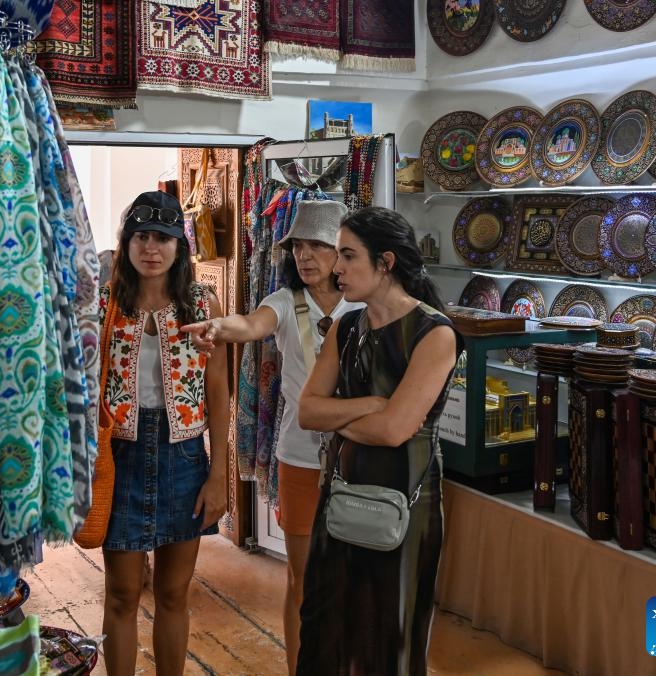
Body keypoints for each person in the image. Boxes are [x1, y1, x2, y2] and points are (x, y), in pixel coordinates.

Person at [181, 199, 361, 675]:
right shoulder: (284, 302)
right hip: (300, 455)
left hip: (359, 454)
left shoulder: (363, 302)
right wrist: (219, 327)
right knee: (301, 576)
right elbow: (251, 325)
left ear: (342, 250)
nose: (305, 256)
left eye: (318, 246)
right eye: (298, 246)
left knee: (353, 573)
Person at [296, 206, 462, 675]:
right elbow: (308, 411)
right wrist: (370, 406)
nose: (335, 268)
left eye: (347, 256)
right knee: (323, 630)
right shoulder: (347, 328)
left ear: (385, 262)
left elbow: (394, 431)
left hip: (406, 504)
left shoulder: (435, 333)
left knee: (390, 638)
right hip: (341, 494)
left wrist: (346, 415)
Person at [99, 190, 230, 676]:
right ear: (127, 242)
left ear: (180, 247)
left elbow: (218, 391)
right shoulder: (105, 301)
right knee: (122, 593)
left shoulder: (200, 302)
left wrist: (220, 474)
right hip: (121, 455)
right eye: (141, 237)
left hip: (185, 456)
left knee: (175, 593)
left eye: (164, 238)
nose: (151, 248)